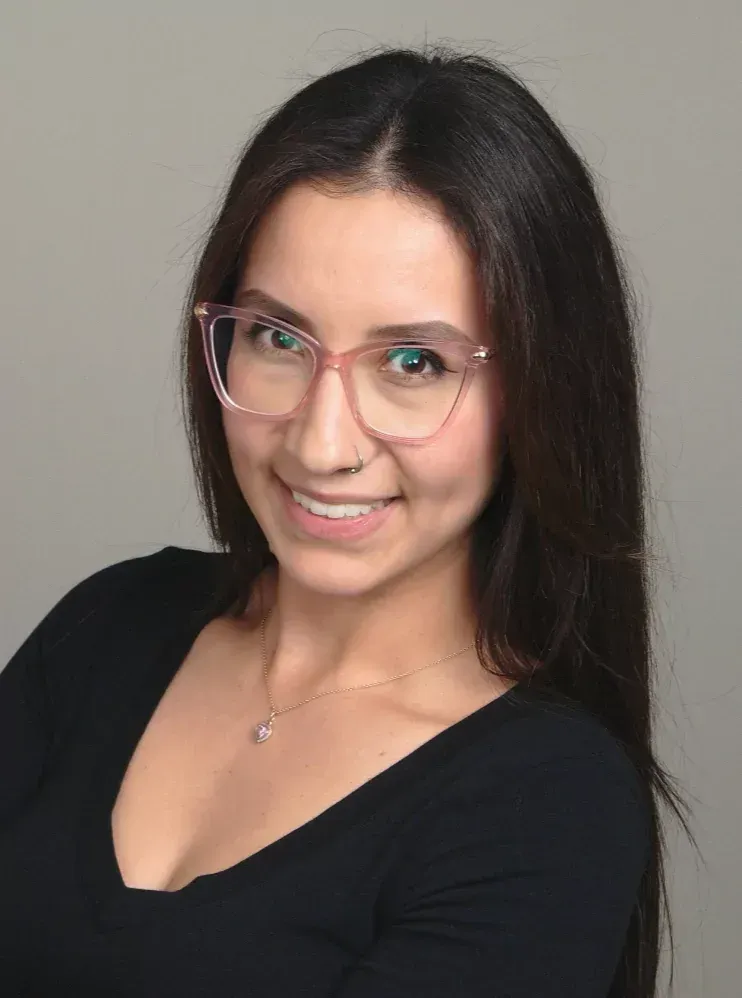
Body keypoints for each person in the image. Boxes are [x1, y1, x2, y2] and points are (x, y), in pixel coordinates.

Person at [0, 45, 693, 998]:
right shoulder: (110, 625)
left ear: (543, 391)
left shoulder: (547, 805)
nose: (323, 444)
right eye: (279, 338)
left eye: (413, 363)